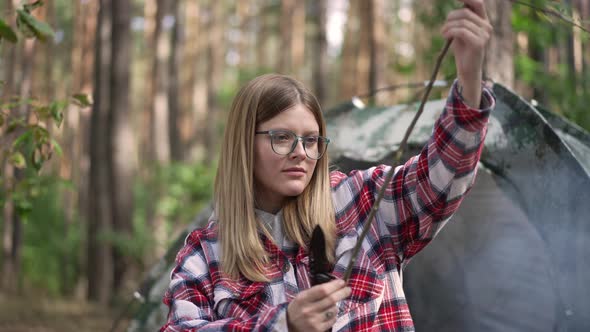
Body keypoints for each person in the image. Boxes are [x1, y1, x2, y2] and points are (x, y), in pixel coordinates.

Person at [161, 0, 494, 331]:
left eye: (311, 141)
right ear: (243, 145)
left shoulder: (362, 201)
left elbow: (441, 178)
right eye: (281, 138)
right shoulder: (205, 255)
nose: (301, 153)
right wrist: (282, 325)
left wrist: (469, 81)